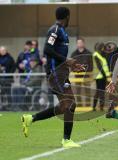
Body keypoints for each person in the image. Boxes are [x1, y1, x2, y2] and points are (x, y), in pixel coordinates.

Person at [21, 7, 85, 148]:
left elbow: (57, 55)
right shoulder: (55, 30)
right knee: (70, 104)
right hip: (54, 74)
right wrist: (67, 60)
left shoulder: (62, 32)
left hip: (61, 73)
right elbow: (47, 50)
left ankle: (30, 118)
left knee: (67, 105)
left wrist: (71, 66)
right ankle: (66, 140)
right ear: (67, 16)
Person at [71, 37, 93, 107]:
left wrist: (85, 71)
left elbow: (91, 66)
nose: (79, 44)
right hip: (77, 76)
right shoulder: (73, 54)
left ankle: (88, 106)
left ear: (83, 43)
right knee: (77, 92)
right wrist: (76, 71)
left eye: (80, 42)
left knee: (87, 92)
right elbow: (72, 66)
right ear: (77, 44)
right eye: (78, 43)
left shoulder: (89, 53)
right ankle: (79, 106)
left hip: (86, 76)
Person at [92, 42, 110, 111]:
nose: (103, 49)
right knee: (101, 92)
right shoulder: (96, 55)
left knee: (99, 92)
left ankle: (94, 107)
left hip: (101, 76)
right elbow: (99, 66)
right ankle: (100, 107)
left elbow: (104, 66)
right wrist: (106, 76)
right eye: (102, 48)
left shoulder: (101, 55)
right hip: (100, 76)